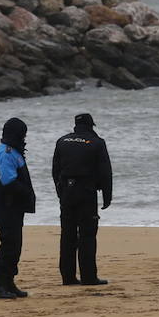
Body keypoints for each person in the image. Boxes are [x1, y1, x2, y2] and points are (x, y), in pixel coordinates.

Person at [52, 113, 113, 286]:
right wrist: (107, 197)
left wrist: (60, 191)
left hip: (67, 192)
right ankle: (88, 277)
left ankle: (68, 277)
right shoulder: (97, 143)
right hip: (86, 193)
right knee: (87, 235)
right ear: (91, 125)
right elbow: (105, 172)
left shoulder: (62, 141)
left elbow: (55, 170)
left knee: (67, 235)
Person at [0, 117, 36, 299]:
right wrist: (26, 192)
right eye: (22, 134)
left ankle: (9, 283)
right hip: (6, 205)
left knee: (15, 245)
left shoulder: (12, 150)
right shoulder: (7, 153)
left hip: (12, 206)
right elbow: (8, 181)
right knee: (9, 245)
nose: (24, 138)